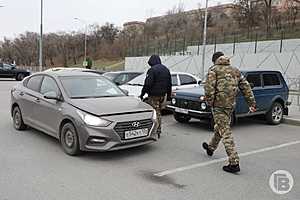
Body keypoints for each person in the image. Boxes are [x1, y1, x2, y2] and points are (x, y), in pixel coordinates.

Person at [202, 52, 256, 174]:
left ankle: (234, 162)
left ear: (215, 60)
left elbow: (209, 88)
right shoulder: (235, 70)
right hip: (230, 105)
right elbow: (246, 87)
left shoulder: (213, 70)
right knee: (220, 126)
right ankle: (211, 147)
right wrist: (251, 103)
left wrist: (210, 101)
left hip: (218, 106)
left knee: (225, 131)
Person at [140, 55, 172, 139]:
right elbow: (169, 84)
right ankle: (157, 129)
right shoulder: (166, 69)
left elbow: (148, 83)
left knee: (155, 113)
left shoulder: (152, 70)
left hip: (154, 96)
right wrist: (168, 96)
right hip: (163, 95)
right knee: (159, 112)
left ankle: (156, 130)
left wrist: (142, 93)